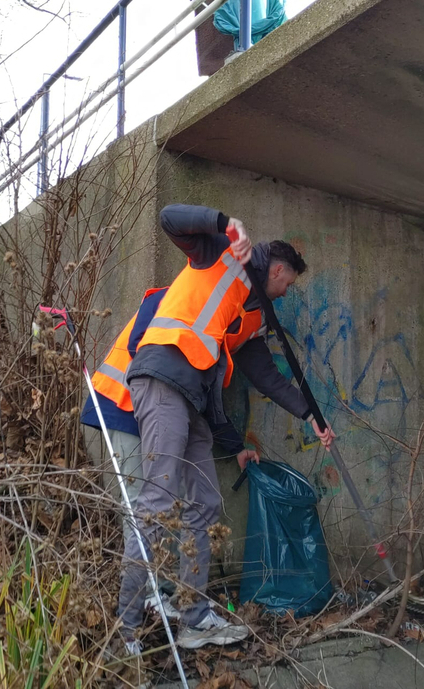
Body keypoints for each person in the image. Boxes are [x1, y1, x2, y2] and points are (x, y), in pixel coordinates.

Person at [117, 204, 336, 652]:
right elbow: (170, 218)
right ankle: (126, 627)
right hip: (162, 378)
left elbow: (269, 377)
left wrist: (310, 414)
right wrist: (225, 224)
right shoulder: (219, 251)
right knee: (157, 503)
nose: (287, 292)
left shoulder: (252, 313)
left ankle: (194, 617)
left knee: (207, 506)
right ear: (277, 269)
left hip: (194, 400)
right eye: (288, 283)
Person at [80, 286, 259, 616]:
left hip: (156, 411)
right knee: (142, 502)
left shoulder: (214, 328)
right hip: (122, 403)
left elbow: (203, 400)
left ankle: (165, 595)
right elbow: (141, 345)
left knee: (165, 501)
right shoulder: (179, 297)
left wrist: (234, 447)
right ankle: (147, 598)